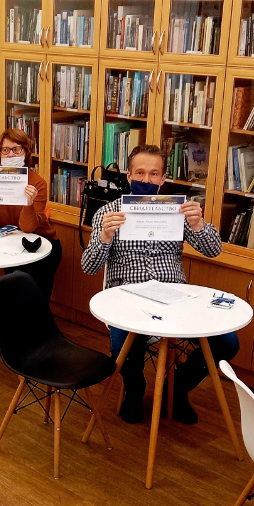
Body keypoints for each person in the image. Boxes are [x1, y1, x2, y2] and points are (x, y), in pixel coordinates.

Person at [81, 145, 239, 424]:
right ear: (129, 176)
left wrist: (198, 224)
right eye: (140, 173)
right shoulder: (108, 213)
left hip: (174, 297)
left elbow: (213, 250)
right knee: (123, 342)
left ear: (163, 178)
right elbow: (89, 266)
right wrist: (105, 237)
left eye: (154, 174)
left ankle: (177, 387)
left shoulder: (178, 210)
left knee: (227, 343)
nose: (147, 179)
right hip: (126, 296)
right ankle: (134, 387)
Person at [0, 128, 61, 335]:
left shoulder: (37, 182)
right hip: (4, 238)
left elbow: (28, 227)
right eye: (5, 150)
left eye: (17, 150)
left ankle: (33, 318)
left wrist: (28, 204)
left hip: (39, 240)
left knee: (34, 272)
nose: (11, 155)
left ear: (26, 152)